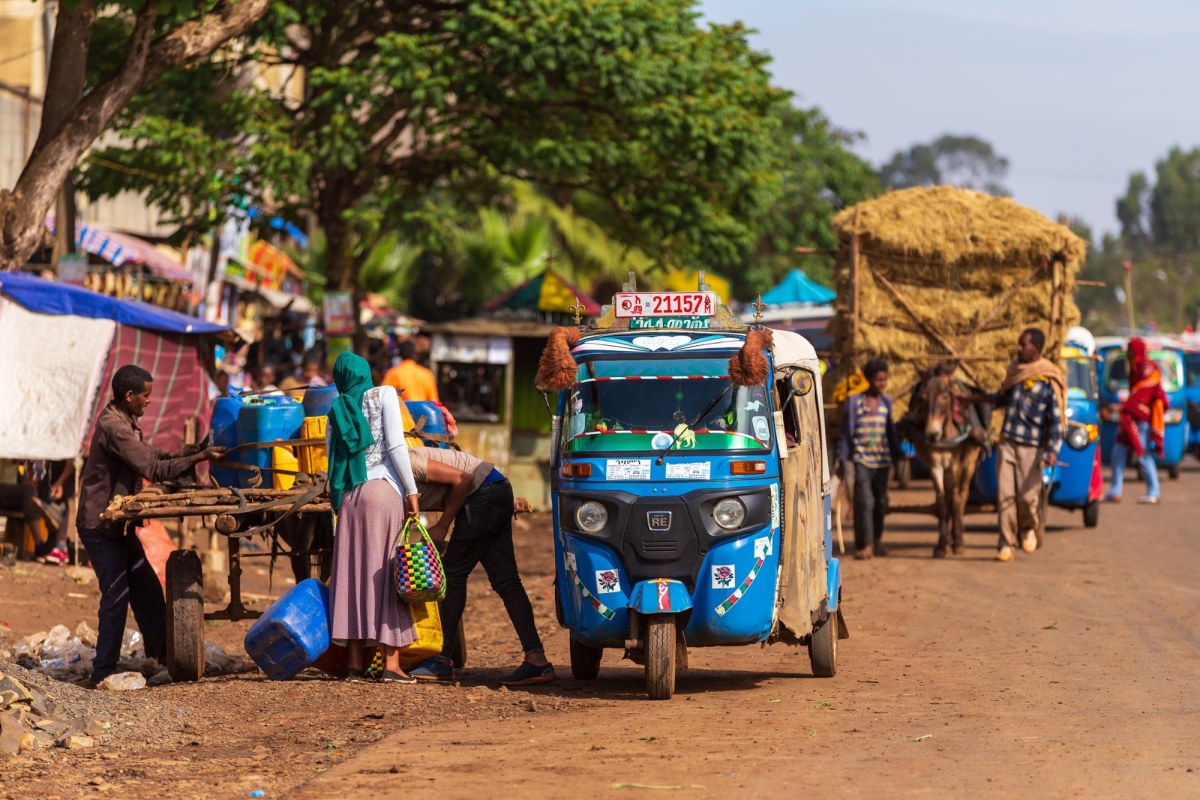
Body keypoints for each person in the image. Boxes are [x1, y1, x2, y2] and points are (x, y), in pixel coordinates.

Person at [76, 365, 226, 687]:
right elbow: (153, 467)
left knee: (145, 587)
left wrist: (190, 453)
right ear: (129, 396)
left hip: (119, 526)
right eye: (145, 396)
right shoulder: (114, 427)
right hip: (100, 527)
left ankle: (163, 657)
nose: (149, 402)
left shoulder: (124, 422)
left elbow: (151, 455)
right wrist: (198, 459)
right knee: (117, 595)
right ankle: (102, 671)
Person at [406, 447, 556, 686]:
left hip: (483, 493)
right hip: (496, 489)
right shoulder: (392, 472)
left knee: (452, 574)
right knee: (507, 580)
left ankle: (442, 660)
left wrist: (443, 525)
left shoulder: (407, 461)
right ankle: (537, 660)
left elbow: (463, 479)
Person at [325, 352, 422, 683]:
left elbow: (331, 462)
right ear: (365, 372)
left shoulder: (335, 409)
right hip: (382, 492)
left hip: (350, 497)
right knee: (388, 577)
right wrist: (412, 492)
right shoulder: (384, 394)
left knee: (352, 577)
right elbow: (396, 447)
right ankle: (391, 665)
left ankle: (354, 664)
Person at [977, 328, 1065, 563]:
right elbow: (1000, 399)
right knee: (1004, 495)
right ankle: (1006, 543)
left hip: (1032, 449)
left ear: (1036, 348)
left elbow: (1056, 421)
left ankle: (1027, 528)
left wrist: (1053, 450)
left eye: (1023, 344)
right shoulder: (1014, 373)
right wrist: (974, 399)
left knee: (1027, 497)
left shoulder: (1048, 380)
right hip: (1007, 444)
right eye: (1018, 344)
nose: (1018, 348)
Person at [838, 359, 903, 560]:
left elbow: (890, 432)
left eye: (885, 379)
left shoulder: (887, 403)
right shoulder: (855, 402)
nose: (882, 383)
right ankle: (864, 544)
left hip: (883, 461)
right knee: (865, 501)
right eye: (878, 380)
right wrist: (843, 459)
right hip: (862, 460)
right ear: (869, 380)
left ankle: (877, 541)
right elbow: (846, 433)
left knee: (881, 502)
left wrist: (898, 454)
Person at [1105, 337, 1166, 505]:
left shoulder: (1147, 367)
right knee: (1118, 452)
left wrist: (1121, 406)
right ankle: (1115, 490)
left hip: (1142, 418)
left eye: (1130, 350)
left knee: (1143, 454)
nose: (1128, 354)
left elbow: (1142, 394)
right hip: (1130, 416)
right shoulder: (1133, 367)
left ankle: (1154, 491)